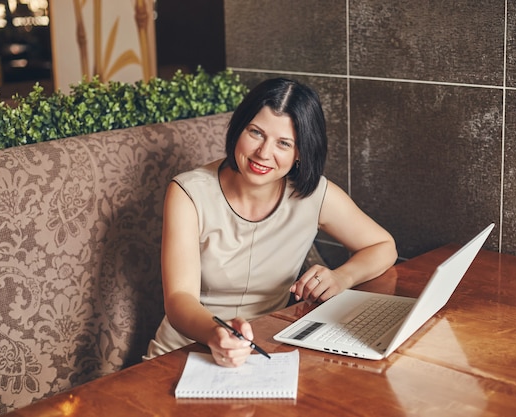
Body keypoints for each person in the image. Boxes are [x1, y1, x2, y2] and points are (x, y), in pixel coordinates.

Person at [145, 78, 397, 366]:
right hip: (185, 350)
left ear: (300, 152)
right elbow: (179, 298)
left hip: (267, 352)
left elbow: (383, 245)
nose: (264, 153)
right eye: (256, 132)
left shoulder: (314, 195)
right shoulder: (188, 192)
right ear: (239, 127)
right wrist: (218, 333)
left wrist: (342, 277)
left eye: (284, 143)